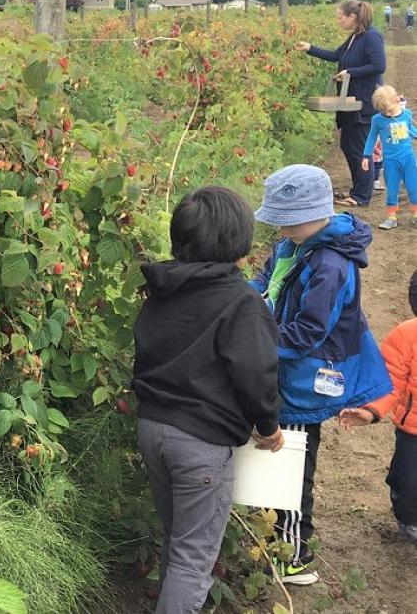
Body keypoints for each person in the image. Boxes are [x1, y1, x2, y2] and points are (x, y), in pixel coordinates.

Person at [133, 187, 283, 613]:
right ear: (240, 243)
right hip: (200, 444)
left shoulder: (163, 288)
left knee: (178, 537)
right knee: (193, 558)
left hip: (153, 428)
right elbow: (255, 374)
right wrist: (268, 427)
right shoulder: (241, 302)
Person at [250, 164, 393, 585]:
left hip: (305, 381)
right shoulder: (291, 247)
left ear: (310, 216)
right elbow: (261, 282)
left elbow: (311, 332)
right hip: (282, 370)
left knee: (290, 469)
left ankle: (293, 555)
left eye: (285, 220)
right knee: (271, 459)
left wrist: (256, 341)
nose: (279, 228)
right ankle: (268, 541)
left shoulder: (330, 265)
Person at [339, 271, 417, 541]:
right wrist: (371, 410)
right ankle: (408, 516)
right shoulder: (407, 336)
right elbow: (390, 381)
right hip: (413, 432)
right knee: (407, 482)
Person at [295, 0, 386, 208]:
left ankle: (362, 196)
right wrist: (309, 48)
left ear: (352, 16)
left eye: (339, 17)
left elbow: (379, 65)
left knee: (360, 149)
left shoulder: (371, 36)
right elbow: (335, 55)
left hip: (362, 102)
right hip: (348, 102)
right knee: (348, 145)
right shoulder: (355, 37)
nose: (337, 20)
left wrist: (350, 72)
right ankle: (357, 190)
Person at [361, 85, 417, 229]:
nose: (386, 112)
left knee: (413, 187)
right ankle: (391, 217)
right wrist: (366, 156)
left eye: (389, 109)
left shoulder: (407, 114)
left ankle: (416, 214)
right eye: (382, 110)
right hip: (390, 161)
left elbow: (410, 129)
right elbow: (371, 138)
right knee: (392, 189)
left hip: (408, 159)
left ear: (396, 100)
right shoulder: (377, 120)